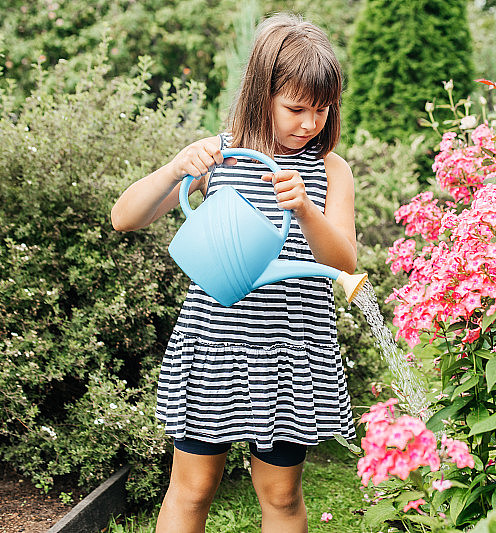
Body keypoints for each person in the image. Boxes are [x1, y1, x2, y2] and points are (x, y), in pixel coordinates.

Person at [110, 13, 356, 533]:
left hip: (293, 349)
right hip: (216, 342)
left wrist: (306, 210)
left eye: (321, 110)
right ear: (260, 93)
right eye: (295, 108)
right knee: (193, 488)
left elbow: (343, 263)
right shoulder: (220, 156)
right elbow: (125, 218)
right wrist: (178, 167)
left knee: (282, 495)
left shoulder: (332, 169)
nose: (309, 123)